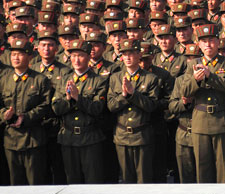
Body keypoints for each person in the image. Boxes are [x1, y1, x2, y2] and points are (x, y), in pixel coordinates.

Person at [182, 24, 225, 183]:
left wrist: (210, 76)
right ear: (199, 44)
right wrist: (196, 80)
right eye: (204, 41)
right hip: (200, 120)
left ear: (218, 42)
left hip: (222, 119)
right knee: (203, 167)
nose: (208, 44)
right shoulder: (192, 64)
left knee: (224, 168)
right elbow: (185, 91)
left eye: (212, 40)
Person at [51, 39, 108, 184]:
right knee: (72, 181)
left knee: (93, 181)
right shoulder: (63, 80)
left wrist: (78, 98)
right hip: (68, 138)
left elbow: (97, 108)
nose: (76, 59)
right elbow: (56, 108)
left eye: (80, 55)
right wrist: (69, 100)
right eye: (73, 55)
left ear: (89, 57)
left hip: (90, 137)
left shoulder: (98, 81)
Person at [107, 39, 161, 183]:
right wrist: (125, 96)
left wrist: (133, 95)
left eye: (132, 53)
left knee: (144, 179)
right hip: (122, 135)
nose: (128, 57)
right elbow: (111, 106)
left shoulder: (150, 79)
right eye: (125, 54)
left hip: (142, 134)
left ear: (139, 55)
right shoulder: (115, 78)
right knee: (126, 178)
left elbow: (151, 106)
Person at [1, 38, 51, 185]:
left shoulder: (40, 80)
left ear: (30, 57)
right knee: (15, 184)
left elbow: (46, 105)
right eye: (13, 54)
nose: (16, 57)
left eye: (20, 54)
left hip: (33, 139)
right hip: (10, 139)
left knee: (35, 183)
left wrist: (26, 117)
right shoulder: (4, 80)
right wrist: (4, 114)